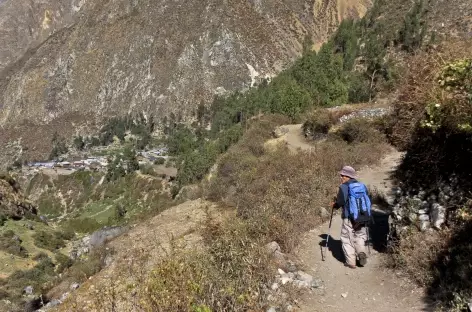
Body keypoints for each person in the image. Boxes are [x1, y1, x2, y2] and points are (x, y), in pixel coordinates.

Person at [331, 165, 368, 269]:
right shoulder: (362, 185)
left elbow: (340, 202)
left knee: (347, 238)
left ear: (347, 176)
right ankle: (361, 251)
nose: (341, 177)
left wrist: (335, 205)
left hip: (348, 217)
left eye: (342, 175)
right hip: (362, 216)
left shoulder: (343, 187)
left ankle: (351, 262)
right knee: (360, 235)